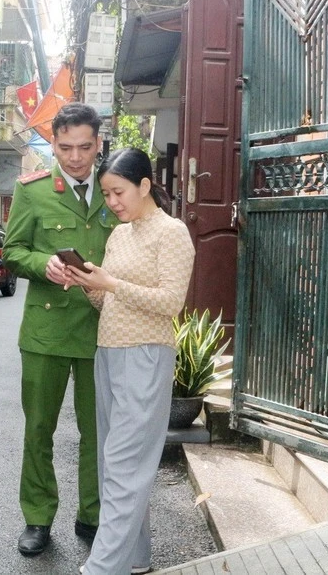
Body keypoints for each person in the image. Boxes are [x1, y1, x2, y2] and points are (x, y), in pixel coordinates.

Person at [58, 148, 195, 574]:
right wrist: (85, 281)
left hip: (146, 357)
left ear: (145, 186)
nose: (112, 202)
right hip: (110, 355)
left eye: (118, 192)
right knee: (114, 463)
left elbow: (171, 303)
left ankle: (101, 568)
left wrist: (112, 282)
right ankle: (135, 559)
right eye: (106, 194)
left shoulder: (171, 233)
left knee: (123, 464)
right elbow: (107, 302)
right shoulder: (120, 235)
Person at [1, 102, 121, 556]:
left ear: (98, 144)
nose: (74, 158)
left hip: (101, 329)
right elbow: (12, 252)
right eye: (65, 147)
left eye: (84, 147)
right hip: (46, 330)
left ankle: (92, 515)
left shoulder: (112, 190)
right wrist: (43, 264)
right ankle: (37, 517)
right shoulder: (33, 190)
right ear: (53, 144)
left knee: (98, 432)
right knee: (39, 429)